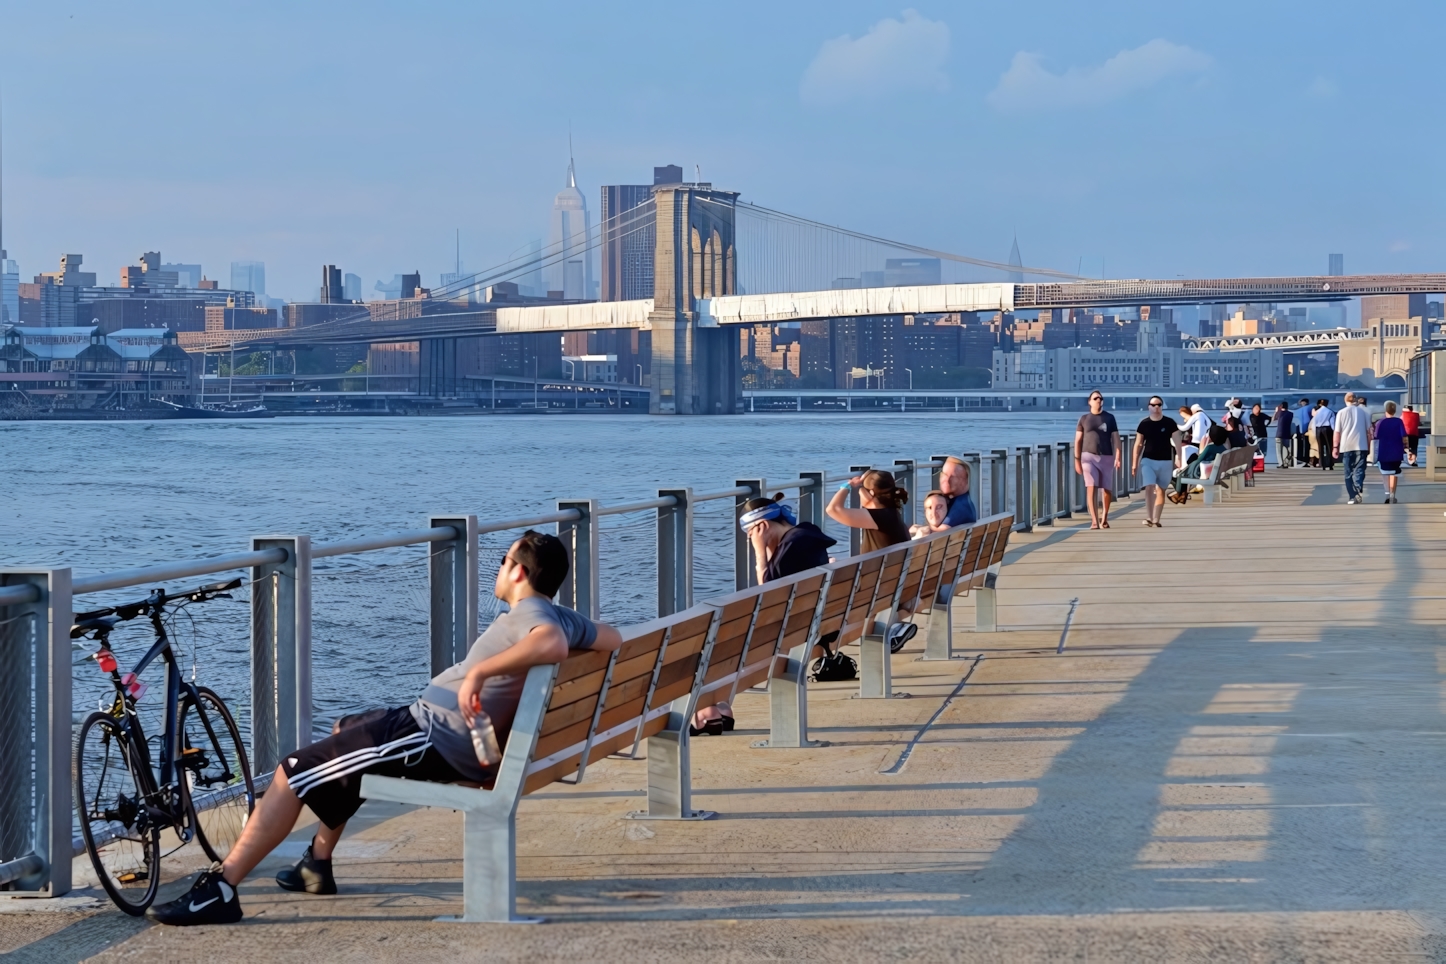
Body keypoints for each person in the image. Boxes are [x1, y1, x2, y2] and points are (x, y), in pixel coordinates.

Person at [146, 531, 624, 926]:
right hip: (437, 733)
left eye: (502, 560)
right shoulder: (557, 613)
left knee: (292, 772)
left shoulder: (537, 617)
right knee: (345, 730)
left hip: (433, 739)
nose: (497, 568)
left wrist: (477, 674)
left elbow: (554, 644)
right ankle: (317, 862)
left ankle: (222, 889)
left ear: (518, 572)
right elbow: (615, 637)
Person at [826, 469, 915, 650]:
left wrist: (847, 486)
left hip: (878, 590)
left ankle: (893, 628)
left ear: (871, 494)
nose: (859, 494)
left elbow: (833, 510)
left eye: (861, 490)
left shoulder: (879, 517)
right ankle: (894, 626)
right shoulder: (892, 515)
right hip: (895, 585)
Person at [741, 492, 837, 585]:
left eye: (750, 531)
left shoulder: (788, 547)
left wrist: (760, 552)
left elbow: (767, 593)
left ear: (763, 525)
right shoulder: (807, 531)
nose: (750, 537)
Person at [1074, 390, 1121, 529]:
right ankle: (1094, 520)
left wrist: (1118, 457)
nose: (1098, 400)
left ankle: (1104, 517)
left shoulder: (1110, 418)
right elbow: (1078, 441)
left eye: (1100, 398)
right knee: (1091, 486)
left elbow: (1116, 439)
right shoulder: (1084, 419)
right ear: (1089, 402)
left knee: (1107, 490)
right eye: (1095, 398)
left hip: (1106, 457)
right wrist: (1077, 460)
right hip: (1087, 457)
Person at [1131, 395, 1178, 528]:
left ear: (1162, 406)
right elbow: (1138, 444)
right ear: (1149, 407)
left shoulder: (1170, 423)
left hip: (1166, 460)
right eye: (1153, 405)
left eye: (1159, 405)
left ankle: (1156, 519)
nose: (1156, 407)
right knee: (1149, 486)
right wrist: (1134, 463)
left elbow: (1177, 442)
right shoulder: (1144, 424)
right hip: (1148, 460)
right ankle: (1149, 517)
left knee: (1161, 489)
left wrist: (1179, 458)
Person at [1169, 424, 1229, 502]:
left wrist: (1201, 449)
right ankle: (1182, 494)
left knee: (1181, 475)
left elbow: (1200, 459)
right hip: (1214, 471)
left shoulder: (1210, 447)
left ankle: (1179, 495)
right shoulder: (1223, 448)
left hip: (1201, 471)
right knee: (1184, 471)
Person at [1333, 391, 1370, 504]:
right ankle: (1357, 488)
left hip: (1346, 446)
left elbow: (1337, 432)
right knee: (1359, 470)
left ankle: (1352, 496)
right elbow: (1369, 431)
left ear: (1345, 400)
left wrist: (1335, 447)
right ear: (1355, 400)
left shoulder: (1341, 412)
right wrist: (1368, 445)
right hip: (1361, 445)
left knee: (1348, 472)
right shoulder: (1364, 412)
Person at [1373, 400, 1407, 503]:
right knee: (1394, 473)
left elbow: (1376, 436)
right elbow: (1404, 436)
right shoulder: (1399, 421)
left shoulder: (1380, 422)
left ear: (1385, 410)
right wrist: (1407, 448)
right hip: (1396, 451)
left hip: (1384, 451)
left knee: (1385, 473)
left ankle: (1387, 494)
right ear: (1394, 410)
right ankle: (1393, 494)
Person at [937, 456, 977, 527]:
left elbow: (941, 533)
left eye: (953, 477)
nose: (947, 480)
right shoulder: (962, 501)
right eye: (945, 475)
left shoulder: (961, 507)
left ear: (966, 482)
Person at [1311, 398, 1336, 470]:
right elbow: (1332, 423)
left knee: (1320, 447)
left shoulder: (1317, 412)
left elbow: (1314, 422)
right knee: (1329, 446)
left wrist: (1314, 431)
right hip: (1327, 428)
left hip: (1318, 429)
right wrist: (1334, 431)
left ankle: (1322, 464)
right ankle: (1330, 463)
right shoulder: (1330, 411)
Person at [1271, 401, 1294, 469]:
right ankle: (1286, 462)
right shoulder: (1291, 414)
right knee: (1288, 450)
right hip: (1287, 434)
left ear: (1281, 407)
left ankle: (1281, 463)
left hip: (1279, 434)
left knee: (1279, 451)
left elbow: (1273, 419)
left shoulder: (1279, 413)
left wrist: (1276, 411)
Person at [1293, 397, 1314, 467]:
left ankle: (1303, 459)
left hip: (1301, 430)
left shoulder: (1299, 410)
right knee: (1307, 445)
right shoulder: (1310, 408)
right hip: (1308, 429)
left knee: (1303, 445)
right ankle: (1306, 459)